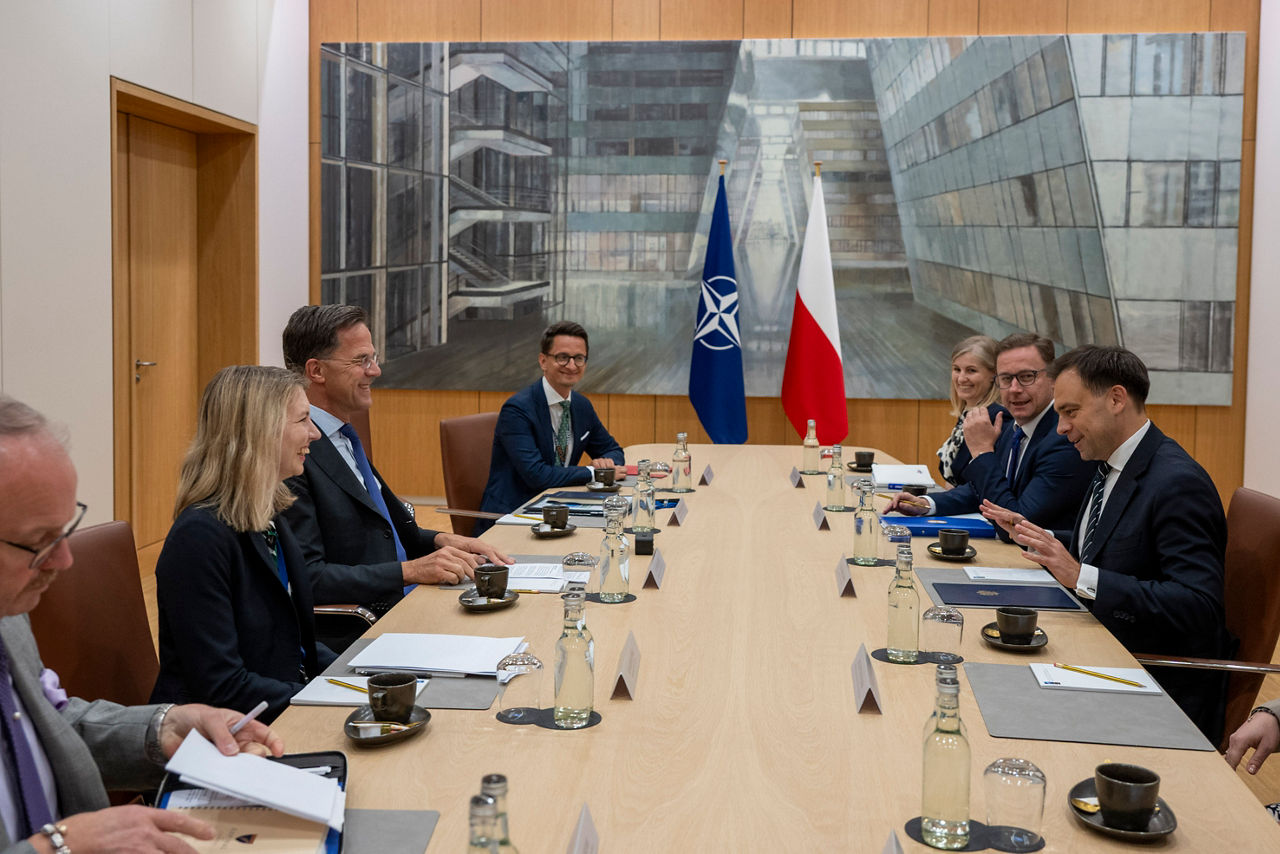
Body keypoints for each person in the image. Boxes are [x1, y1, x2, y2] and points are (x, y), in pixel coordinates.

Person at [0, 396, 283, 854]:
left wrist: (163, 729)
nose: (65, 560)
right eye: (39, 543)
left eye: (65, 530)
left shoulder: (7, 617)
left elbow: (42, 728)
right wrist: (56, 846)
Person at [983, 345, 1232, 741]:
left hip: (1151, 679)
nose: (1061, 427)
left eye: (1070, 411)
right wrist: (1045, 540)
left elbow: (1198, 607)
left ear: (1116, 399)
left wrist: (1082, 575)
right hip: (1102, 647)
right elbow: (1113, 547)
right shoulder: (1109, 464)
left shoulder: (1177, 482)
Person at [280, 305, 510, 621]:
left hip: (409, 601)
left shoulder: (345, 436)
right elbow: (310, 578)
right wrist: (410, 571)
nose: (375, 370)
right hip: (371, 621)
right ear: (317, 371)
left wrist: (443, 539)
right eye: (362, 361)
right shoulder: (293, 457)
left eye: (373, 359)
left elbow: (386, 534)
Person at [151, 366, 336, 723]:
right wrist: (323, 700)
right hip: (223, 738)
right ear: (260, 433)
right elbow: (222, 687)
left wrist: (353, 677)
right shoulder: (199, 539)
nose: (314, 434)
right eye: (302, 420)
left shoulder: (266, 514)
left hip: (277, 708)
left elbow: (296, 646)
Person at [890, 333, 1094, 540]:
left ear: (1052, 379)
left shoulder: (1063, 438)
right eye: (1006, 379)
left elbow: (1016, 526)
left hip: (1044, 567)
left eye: (1026, 377)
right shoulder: (1015, 428)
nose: (1014, 389)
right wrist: (926, 504)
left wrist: (982, 452)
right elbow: (981, 491)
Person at [477, 321, 625, 530]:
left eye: (579, 358)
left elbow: (613, 450)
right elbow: (537, 475)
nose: (572, 366)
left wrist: (607, 464)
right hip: (514, 516)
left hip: (559, 510)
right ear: (543, 361)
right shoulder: (517, 409)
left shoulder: (581, 405)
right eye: (562, 357)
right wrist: (594, 472)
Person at [935, 335, 1006, 487]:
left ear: (994, 375)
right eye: (957, 369)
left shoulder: (995, 417)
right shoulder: (969, 412)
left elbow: (979, 483)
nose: (961, 379)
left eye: (971, 371)